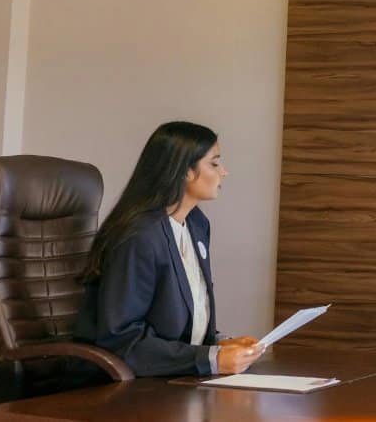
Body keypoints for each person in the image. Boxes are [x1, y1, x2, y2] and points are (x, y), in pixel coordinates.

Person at [74, 121, 264, 377]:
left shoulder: (196, 223)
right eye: (214, 163)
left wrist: (218, 344)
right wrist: (211, 359)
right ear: (186, 171)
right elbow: (122, 340)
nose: (224, 172)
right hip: (128, 388)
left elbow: (178, 320)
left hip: (175, 377)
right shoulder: (139, 236)